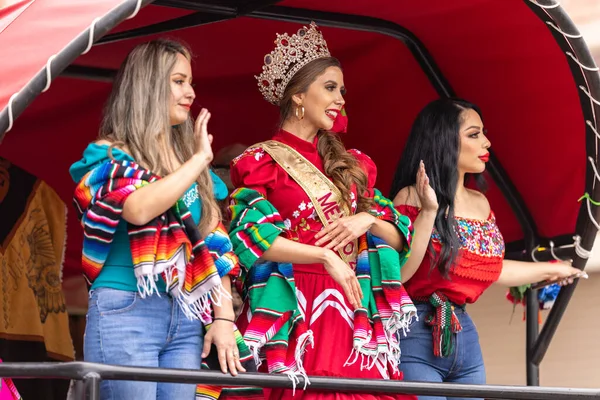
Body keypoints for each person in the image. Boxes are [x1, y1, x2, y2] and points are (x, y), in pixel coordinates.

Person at [227, 22, 417, 400]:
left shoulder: (353, 164)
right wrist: (325, 256)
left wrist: (370, 219)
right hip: (295, 303)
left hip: (353, 307)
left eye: (342, 90)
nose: (341, 99)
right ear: (298, 95)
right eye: (330, 88)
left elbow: (399, 238)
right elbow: (251, 241)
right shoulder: (261, 161)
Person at [70, 39, 244, 400]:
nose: (191, 92)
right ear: (149, 85)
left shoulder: (190, 161)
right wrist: (198, 161)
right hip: (126, 308)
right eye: (179, 81)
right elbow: (137, 208)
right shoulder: (110, 155)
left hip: (185, 314)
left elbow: (215, 244)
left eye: (191, 82)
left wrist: (224, 318)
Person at [389, 97, 587, 400]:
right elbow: (401, 272)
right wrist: (429, 211)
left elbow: (493, 268)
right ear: (444, 140)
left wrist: (553, 268)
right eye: (473, 134)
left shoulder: (481, 203)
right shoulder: (411, 197)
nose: (486, 141)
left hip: (464, 332)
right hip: (416, 327)